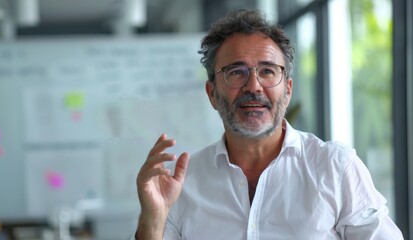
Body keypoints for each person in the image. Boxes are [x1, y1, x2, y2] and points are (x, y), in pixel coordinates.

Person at [133, 9, 403, 240]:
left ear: (287, 90)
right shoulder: (184, 184)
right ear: (212, 94)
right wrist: (152, 220)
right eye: (236, 72)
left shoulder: (336, 169)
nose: (253, 86)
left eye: (267, 71)